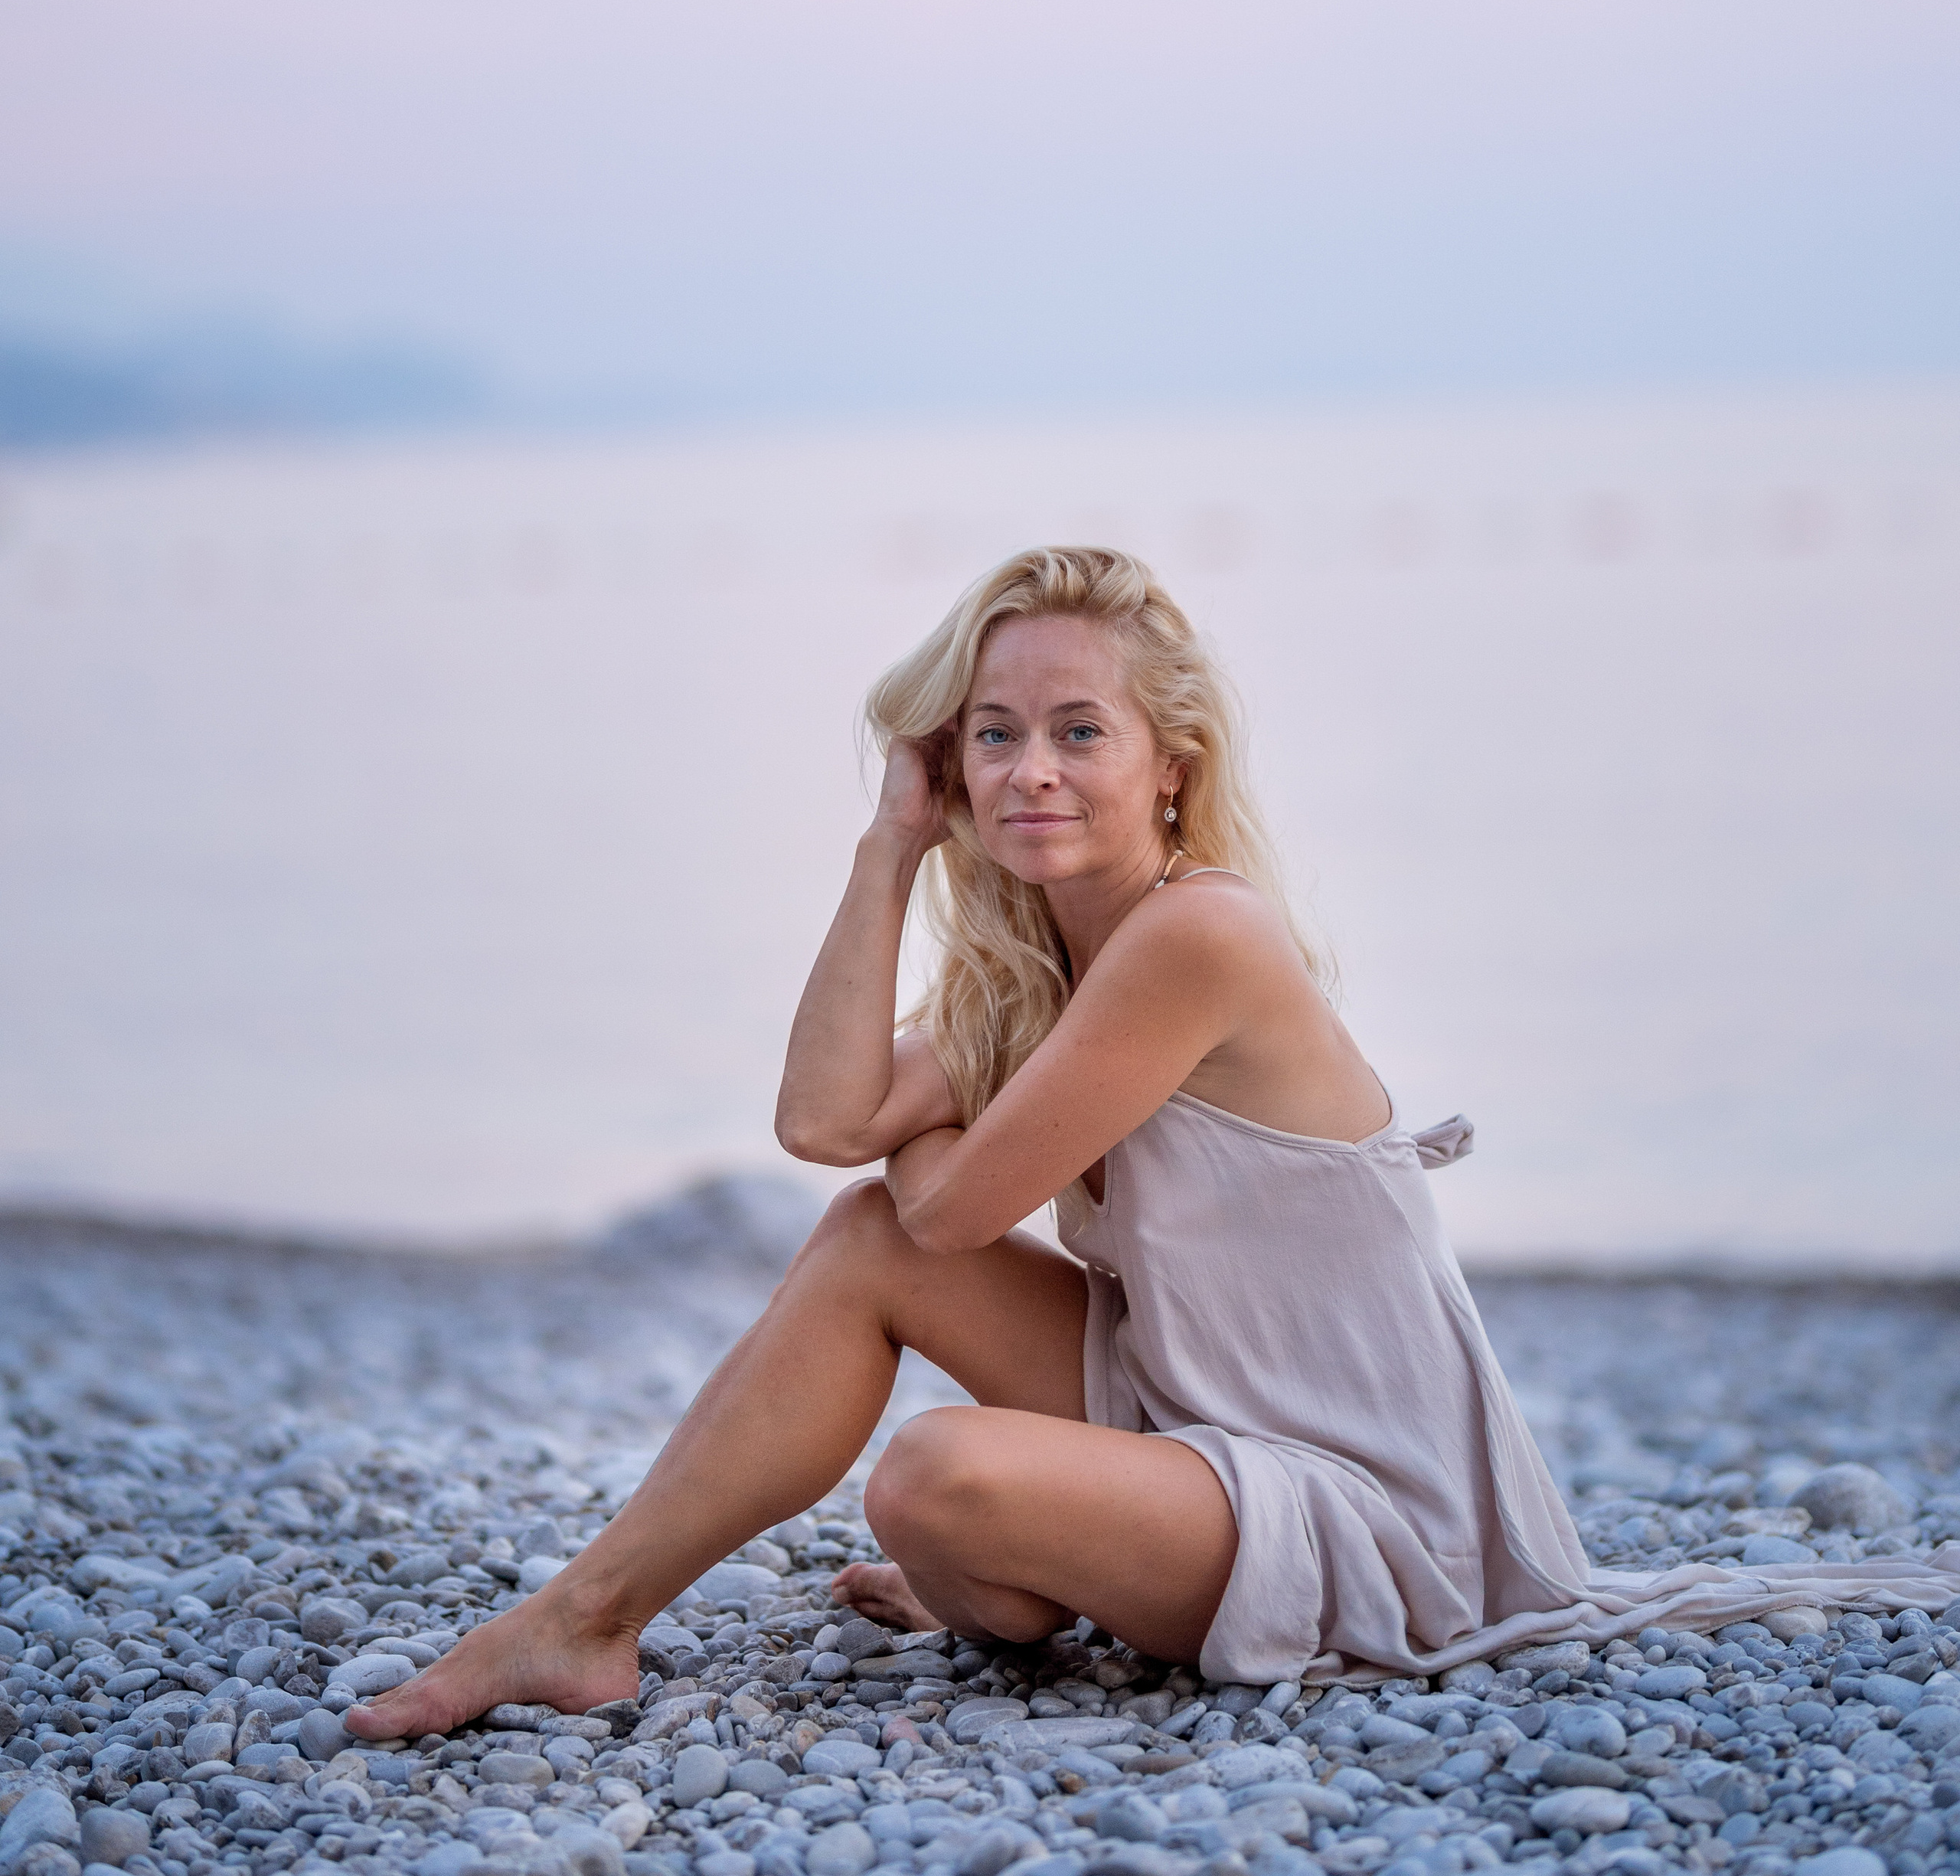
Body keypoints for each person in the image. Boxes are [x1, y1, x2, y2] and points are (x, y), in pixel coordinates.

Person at [348, 545, 1949, 1747]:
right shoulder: (1032, 972)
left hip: (1361, 1510)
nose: (1027, 769)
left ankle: (990, 1568)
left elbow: (963, 1212)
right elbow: (822, 1126)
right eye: (987, 737)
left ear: (1166, 764)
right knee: (858, 1239)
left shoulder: (1199, 941)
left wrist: (957, 1120)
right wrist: (886, 847)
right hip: (1194, 1423)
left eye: (1074, 731)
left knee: (929, 1461)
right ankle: (585, 1617)